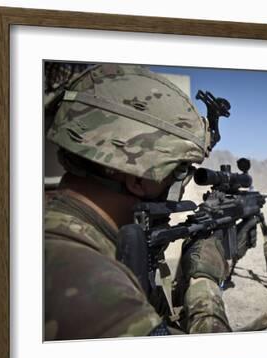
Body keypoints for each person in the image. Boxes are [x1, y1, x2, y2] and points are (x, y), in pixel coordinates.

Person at [43, 64, 234, 340]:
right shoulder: (102, 297)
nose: (182, 184)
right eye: (181, 172)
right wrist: (203, 283)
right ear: (139, 180)